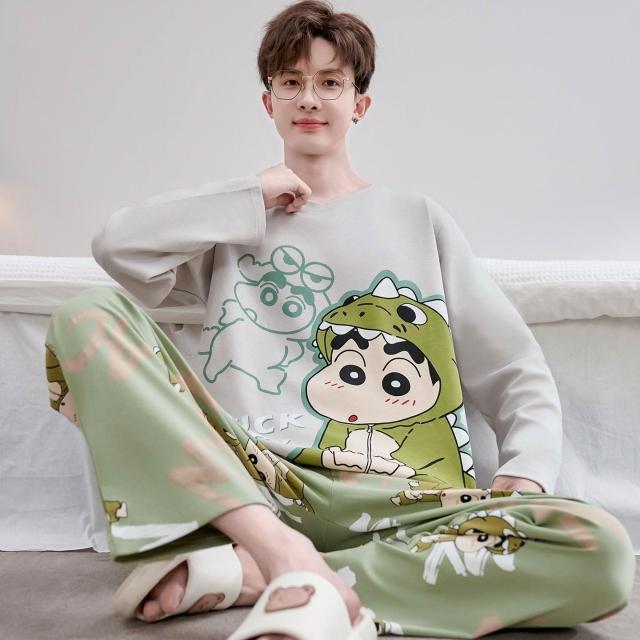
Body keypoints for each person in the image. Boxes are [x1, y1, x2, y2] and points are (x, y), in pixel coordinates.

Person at [44, 1, 635, 638]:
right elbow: (118, 246)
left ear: (360, 104)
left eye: (331, 82)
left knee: (599, 550)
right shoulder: (228, 228)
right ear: (267, 101)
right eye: (291, 82)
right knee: (84, 316)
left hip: (410, 504)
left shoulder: (417, 219)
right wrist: (250, 195)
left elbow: (514, 368)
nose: (309, 98)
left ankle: (262, 575)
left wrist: (526, 472)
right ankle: (279, 552)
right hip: (258, 488)